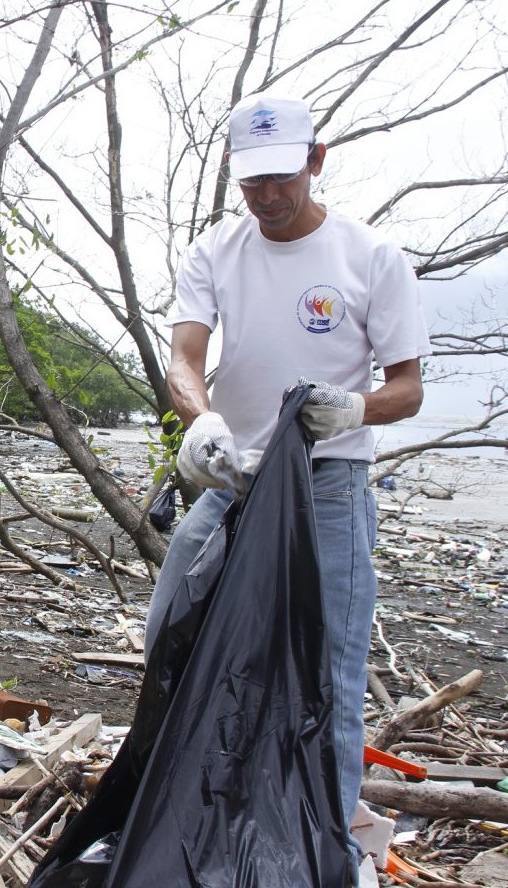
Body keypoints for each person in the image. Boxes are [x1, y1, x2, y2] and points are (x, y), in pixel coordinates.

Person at [148, 95, 431, 840]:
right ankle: (181, 814)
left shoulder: (370, 258)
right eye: (252, 182)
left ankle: (325, 846)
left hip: (326, 486)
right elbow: (185, 354)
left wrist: (357, 408)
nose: (268, 197)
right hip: (234, 479)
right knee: (170, 634)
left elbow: (407, 386)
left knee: (328, 673)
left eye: (282, 176)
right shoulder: (216, 251)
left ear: (316, 159)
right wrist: (201, 419)